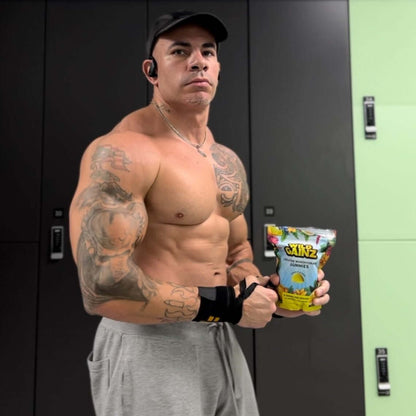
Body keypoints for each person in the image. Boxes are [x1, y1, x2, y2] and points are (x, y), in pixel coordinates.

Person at [69, 10, 330, 416]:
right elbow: (103, 285)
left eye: (208, 51)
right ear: (151, 71)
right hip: (148, 347)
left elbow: (235, 252)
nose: (198, 60)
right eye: (180, 51)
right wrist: (227, 305)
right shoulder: (124, 152)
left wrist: (269, 294)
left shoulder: (225, 160)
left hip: (218, 341)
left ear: (218, 67)